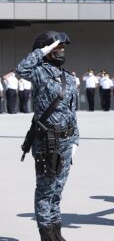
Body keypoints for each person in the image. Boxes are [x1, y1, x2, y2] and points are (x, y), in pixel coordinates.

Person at [16, 31, 79, 240]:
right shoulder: (39, 73)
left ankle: (56, 229)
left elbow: (72, 112)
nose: (61, 51)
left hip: (66, 139)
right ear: (47, 51)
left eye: (62, 48)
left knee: (58, 188)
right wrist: (41, 50)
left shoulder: (68, 77)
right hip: (47, 140)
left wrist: (75, 139)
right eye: (56, 48)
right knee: (46, 188)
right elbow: (21, 69)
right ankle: (45, 232)